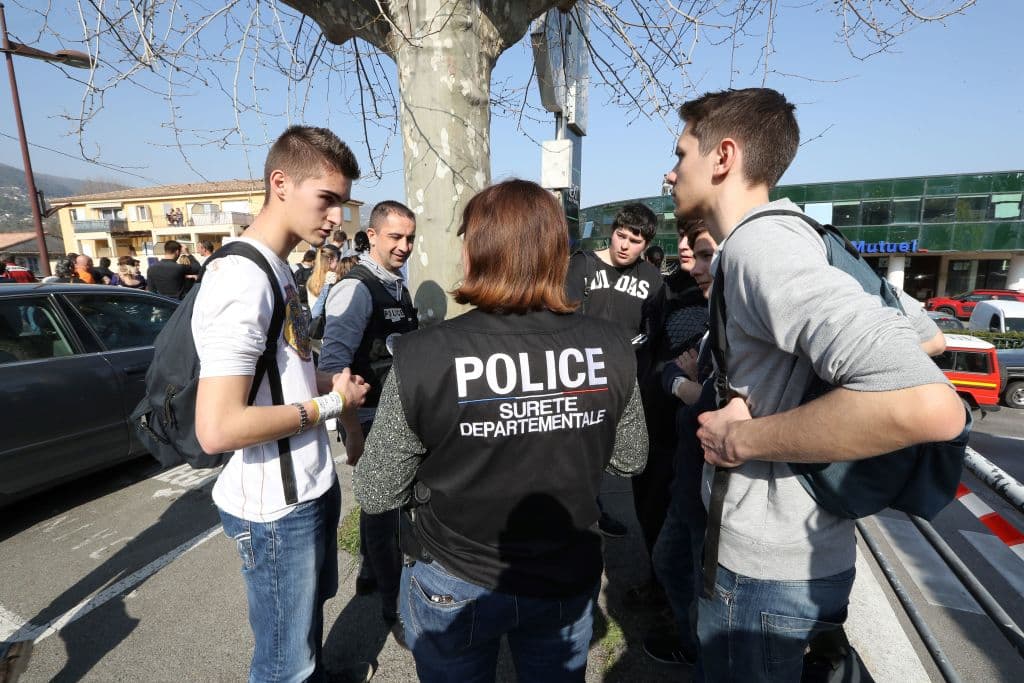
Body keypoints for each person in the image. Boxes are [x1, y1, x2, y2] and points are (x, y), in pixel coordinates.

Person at [664, 87, 963, 681]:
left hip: (764, 579)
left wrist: (742, 441)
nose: (670, 172)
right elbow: (921, 332)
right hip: (796, 562)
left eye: (680, 154)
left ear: (723, 156)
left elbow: (930, 405)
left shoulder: (761, 247)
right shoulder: (793, 236)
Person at [353, 179, 648, 682]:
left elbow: (377, 489)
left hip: (454, 574)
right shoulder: (611, 345)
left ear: (476, 252)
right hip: (562, 572)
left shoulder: (425, 354)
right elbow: (629, 457)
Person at [191, 125, 371, 683]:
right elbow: (217, 429)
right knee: (282, 665)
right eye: (327, 199)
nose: (337, 217)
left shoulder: (278, 269)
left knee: (302, 643)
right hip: (274, 510)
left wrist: (325, 385)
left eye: (342, 203)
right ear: (281, 184)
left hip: (309, 487)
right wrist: (329, 406)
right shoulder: (240, 278)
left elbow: (281, 372)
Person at [319, 199, 417, 630]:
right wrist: (353, 430)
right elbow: (332, 369)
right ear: (371, 236)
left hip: (397, 412)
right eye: (395, 237)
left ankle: (370, 572)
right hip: (373, 417)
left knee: (380, 507)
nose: (404, 246)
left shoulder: (397, 285)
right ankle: (394, 608)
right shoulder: (355, 288)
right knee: (385, 510)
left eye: (410, 238)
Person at [565, 204, 663, 541]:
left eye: (634, 241)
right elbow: (563, 318)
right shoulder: (583, 264)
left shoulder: (651, 279)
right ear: (612, 231)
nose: (624, 245)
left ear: (645, 244)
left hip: (622, 379)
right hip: (578, 377)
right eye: (620, 235)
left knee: (606, 452)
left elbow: (653, 331)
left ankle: (593, 509)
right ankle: (578, 515)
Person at [644, 219, 717, 666]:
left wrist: (692, 388)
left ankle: (695, 647)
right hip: (687, 467)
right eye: (691, 251)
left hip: (714, 484)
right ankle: (691, 640)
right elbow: (669, 364)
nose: (694, 262)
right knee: (670, 560)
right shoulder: (687, 298)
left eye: (706, 253)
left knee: (693, 570)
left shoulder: (744, 311)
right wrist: (682, 382)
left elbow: (720, 396)